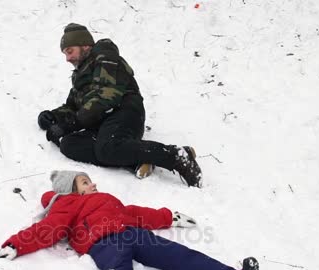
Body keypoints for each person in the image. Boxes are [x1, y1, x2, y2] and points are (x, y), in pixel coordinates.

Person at [0, 170, 259, 270]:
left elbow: (136, 213)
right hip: (102, 241)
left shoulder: (107, 199)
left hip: (134, 233)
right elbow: (49, 228)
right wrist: (17, 244)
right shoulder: (66, 203)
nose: (93, 183)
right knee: (116, 263)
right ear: (70, 190)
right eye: (85, 182)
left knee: (181, 255)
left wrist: (170, 217)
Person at [36, 23, 203, 187]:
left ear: (84, 45)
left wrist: (71, 124)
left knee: (107, 148)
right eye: (65, 54)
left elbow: (104, 98)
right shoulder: (82, 74)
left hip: (125, 112)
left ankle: (177, 156)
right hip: (104, 121)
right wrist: (53, 116)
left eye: (69, 51)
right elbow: (73, 106)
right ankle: (135, 159)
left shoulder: (105, 58)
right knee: (69, 145)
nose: (67, 58)